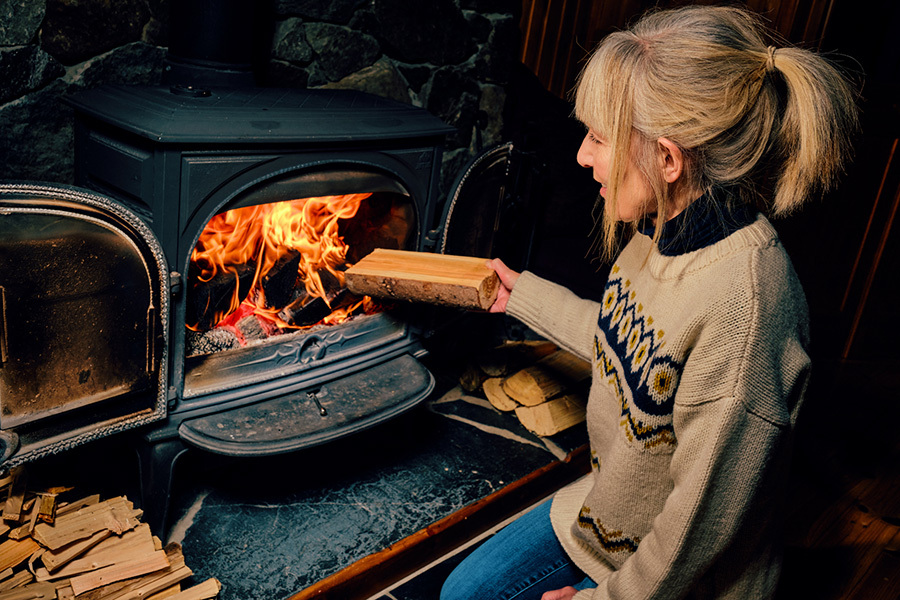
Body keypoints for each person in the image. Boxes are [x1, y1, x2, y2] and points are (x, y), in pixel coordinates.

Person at [440, 4, 858, 600]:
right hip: (606, 518)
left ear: (667, 158)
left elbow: (699, 526)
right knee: (462, 591)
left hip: (681, 578)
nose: (583, 156)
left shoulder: (747, 310)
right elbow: (630, 350)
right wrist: (520, 296)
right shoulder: (658, 230)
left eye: (599, 138)